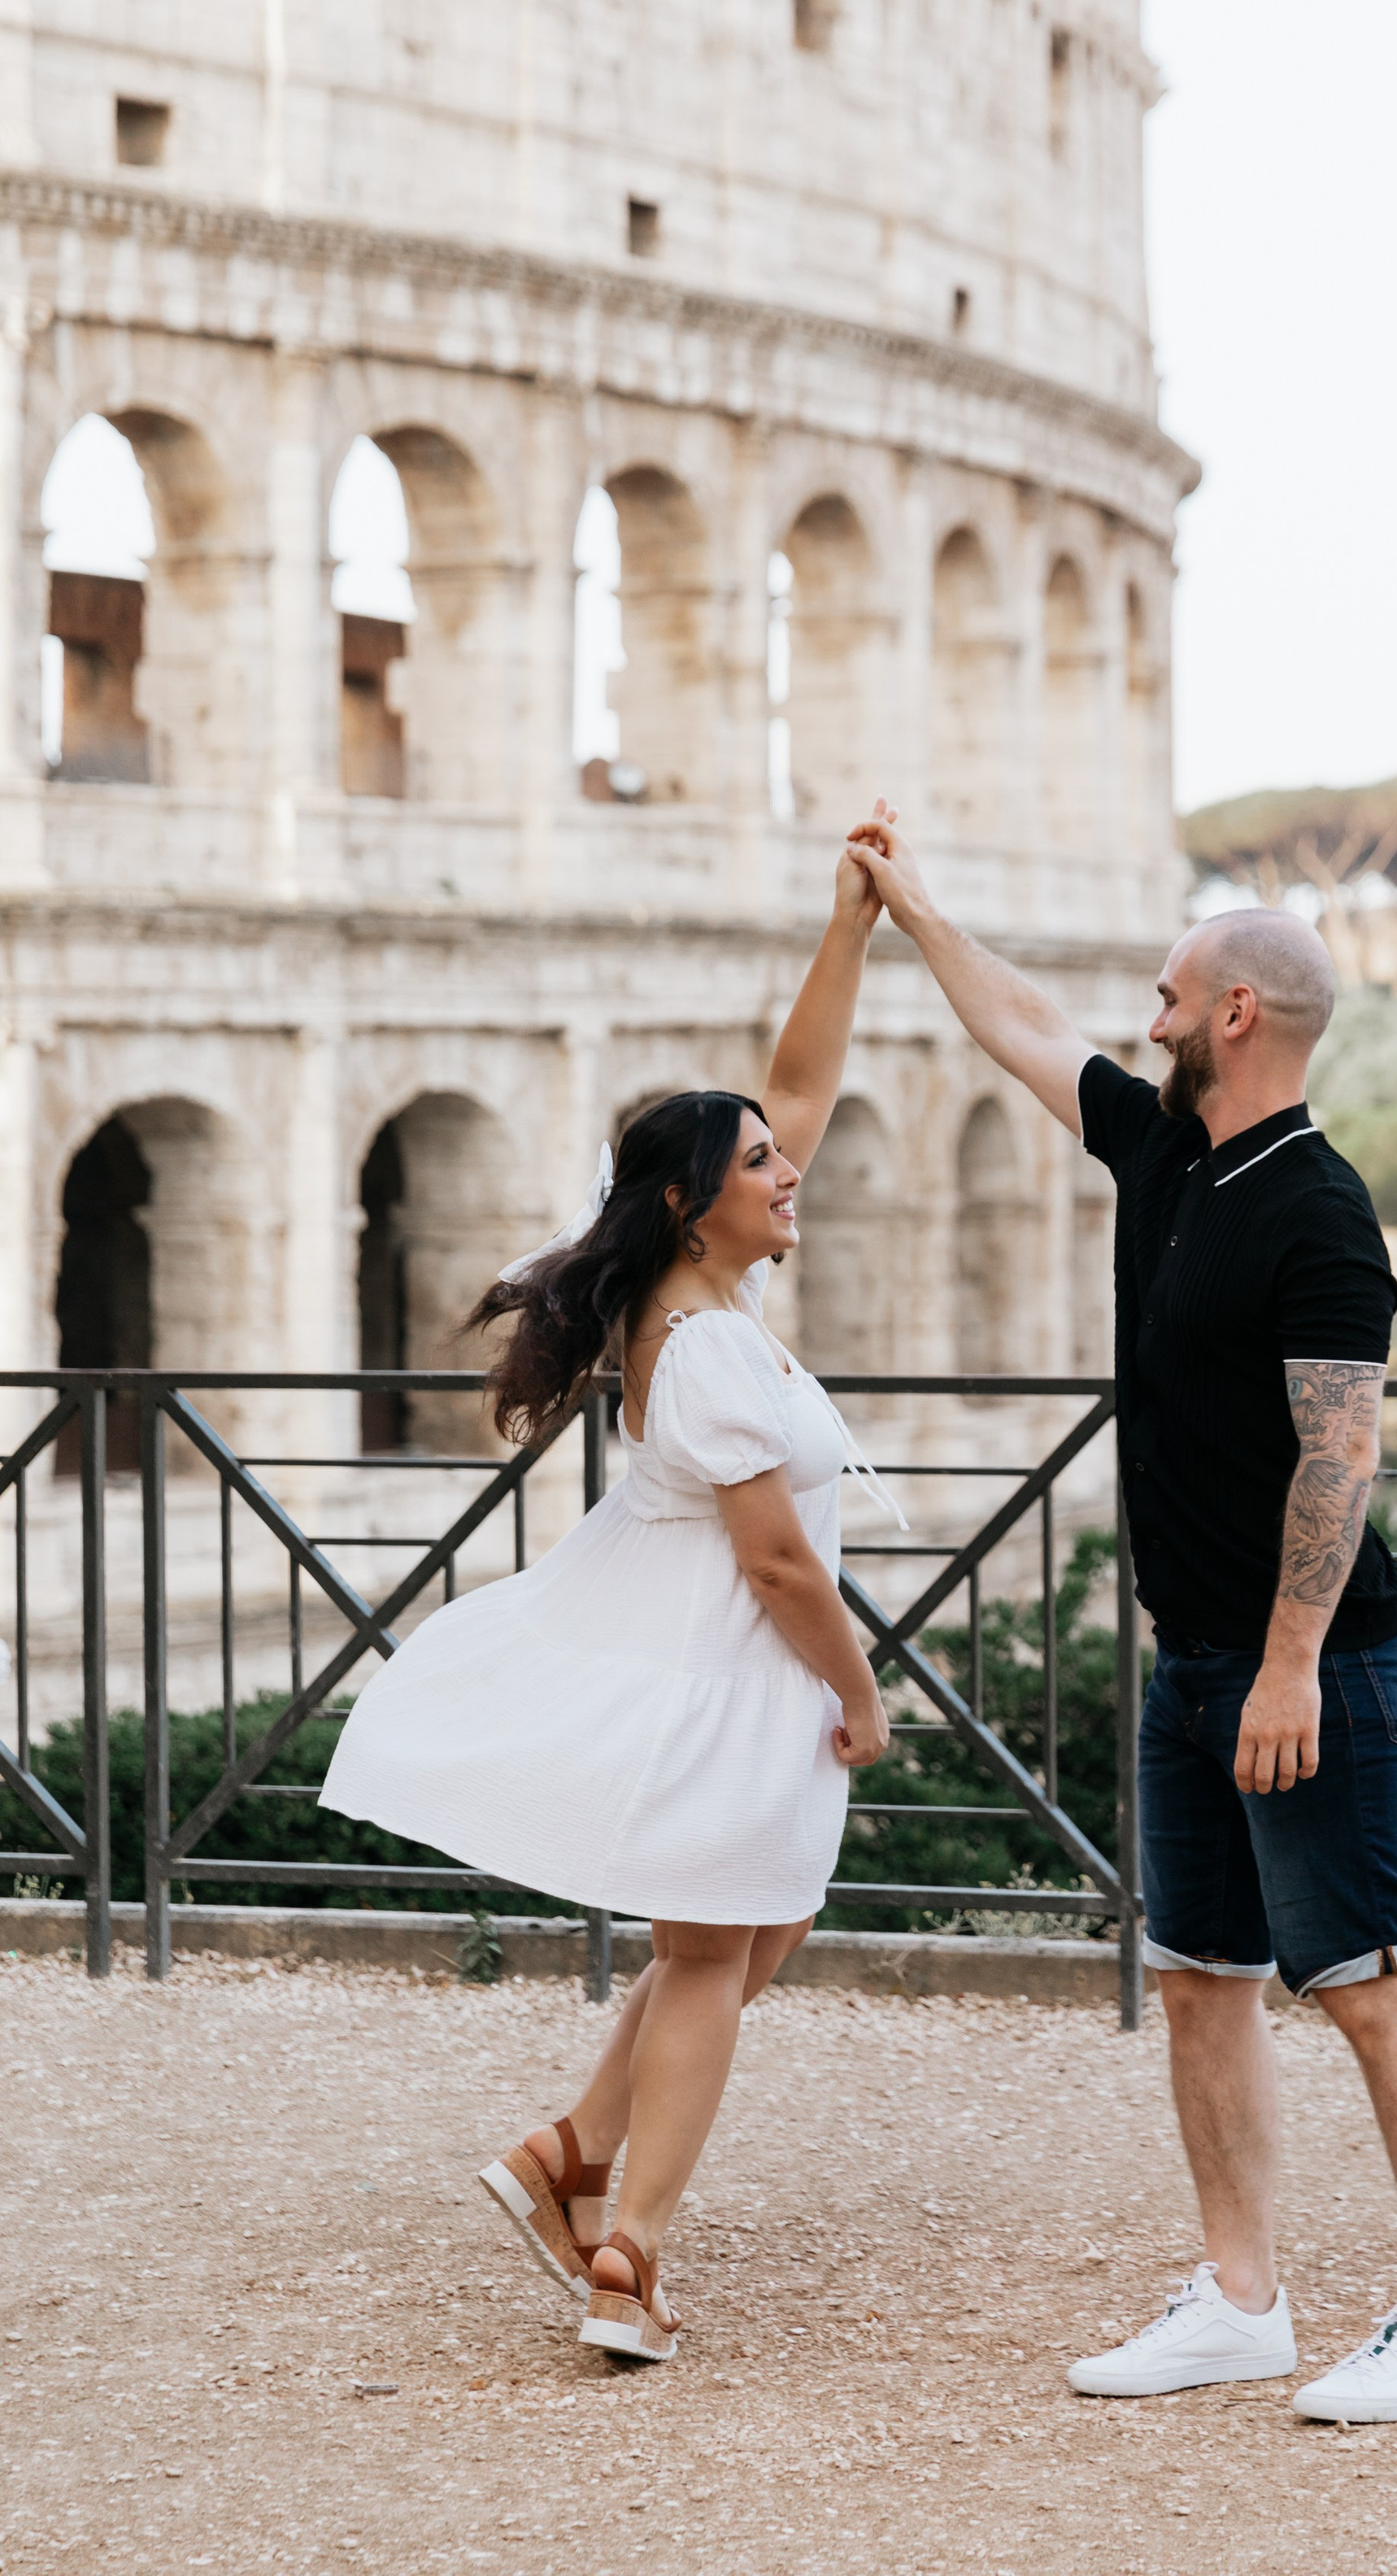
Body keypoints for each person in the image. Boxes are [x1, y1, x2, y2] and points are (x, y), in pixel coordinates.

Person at [844, 809, 1397, 2427]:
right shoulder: (1164, 1149)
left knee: (1361, 1976)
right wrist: (911, 908)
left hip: (1315, 1668)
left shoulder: (1317, 1208)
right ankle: (1236, 2298)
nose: (1138, 1018)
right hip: (1193, 1658)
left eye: (1162, 995)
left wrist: (1287, 1668)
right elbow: (1020, 1029)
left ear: (1232, 1016)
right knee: (1199, 1976)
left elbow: (1338, 1452)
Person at [322, 823, 898, 2366]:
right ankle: (626, 2256)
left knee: (750, 1940)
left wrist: (851, 926)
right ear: (692, 1205)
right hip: (729, 1675)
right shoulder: (706, 1341)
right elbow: (777, 1562)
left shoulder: (707, 1289)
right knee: (719, 1952)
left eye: (782, 1157)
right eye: (762, 1165)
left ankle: (569, 2153)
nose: (793, 1172)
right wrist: (857, 1691)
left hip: (722, 1672)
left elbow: (804, 1079)